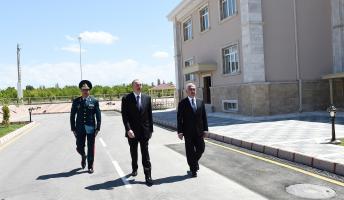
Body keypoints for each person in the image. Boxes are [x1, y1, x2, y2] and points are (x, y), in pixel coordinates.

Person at [121, 79, 154, 186]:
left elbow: (150, 116)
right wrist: (128, 129)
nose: (139, 86)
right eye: (137, 85)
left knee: (145, 154)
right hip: (132, 132)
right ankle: (134, 168)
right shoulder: (126, 98)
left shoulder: (147, 98)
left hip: (144, 131)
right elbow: (125, 117)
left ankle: (148, 175)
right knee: (133, 152)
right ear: (133, 87)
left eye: (140, 84)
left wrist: (150, 130)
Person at [177, 83, 208, 178]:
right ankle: (193, 169)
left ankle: (193, 163)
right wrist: (180, 132)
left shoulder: (200, 102)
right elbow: (179, 118)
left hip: (199, 131)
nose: (192, 91)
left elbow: (204, 117)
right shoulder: (182, 103)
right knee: (190, 151)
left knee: (201, 148)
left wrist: (205, 129)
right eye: (190, 89)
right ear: (186, 91)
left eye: (194, 89)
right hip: (188, 132)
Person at [70, 80, 101, 174]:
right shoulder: (76, 101)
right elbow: (72, 115)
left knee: (91, 147)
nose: (85, 91)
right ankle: (83, 156)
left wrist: (98, 128)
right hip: (79, 128)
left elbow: (98, 115)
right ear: (81, 90)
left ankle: (90, 166)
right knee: (79, 146)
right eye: (83, 90)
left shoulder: (94, 101)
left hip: (91, 127)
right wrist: (73, 128)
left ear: (89, 90)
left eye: (87, 90)